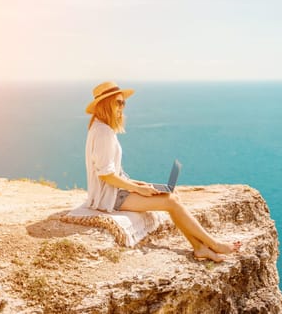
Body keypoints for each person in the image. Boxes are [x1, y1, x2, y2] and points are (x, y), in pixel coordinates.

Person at [84, 81, 240, 262]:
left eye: (123, 103)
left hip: (115, 191)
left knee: (173, 197)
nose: (122, 107)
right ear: (106, 104)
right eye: (118, 102)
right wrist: (138, 189)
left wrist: (137, 184)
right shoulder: (104, 132)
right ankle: (214, 244)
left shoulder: (101, 127)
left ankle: (199, 248)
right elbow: (105, 174)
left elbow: (112, 172)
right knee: (171, 202)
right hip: (109, 197)